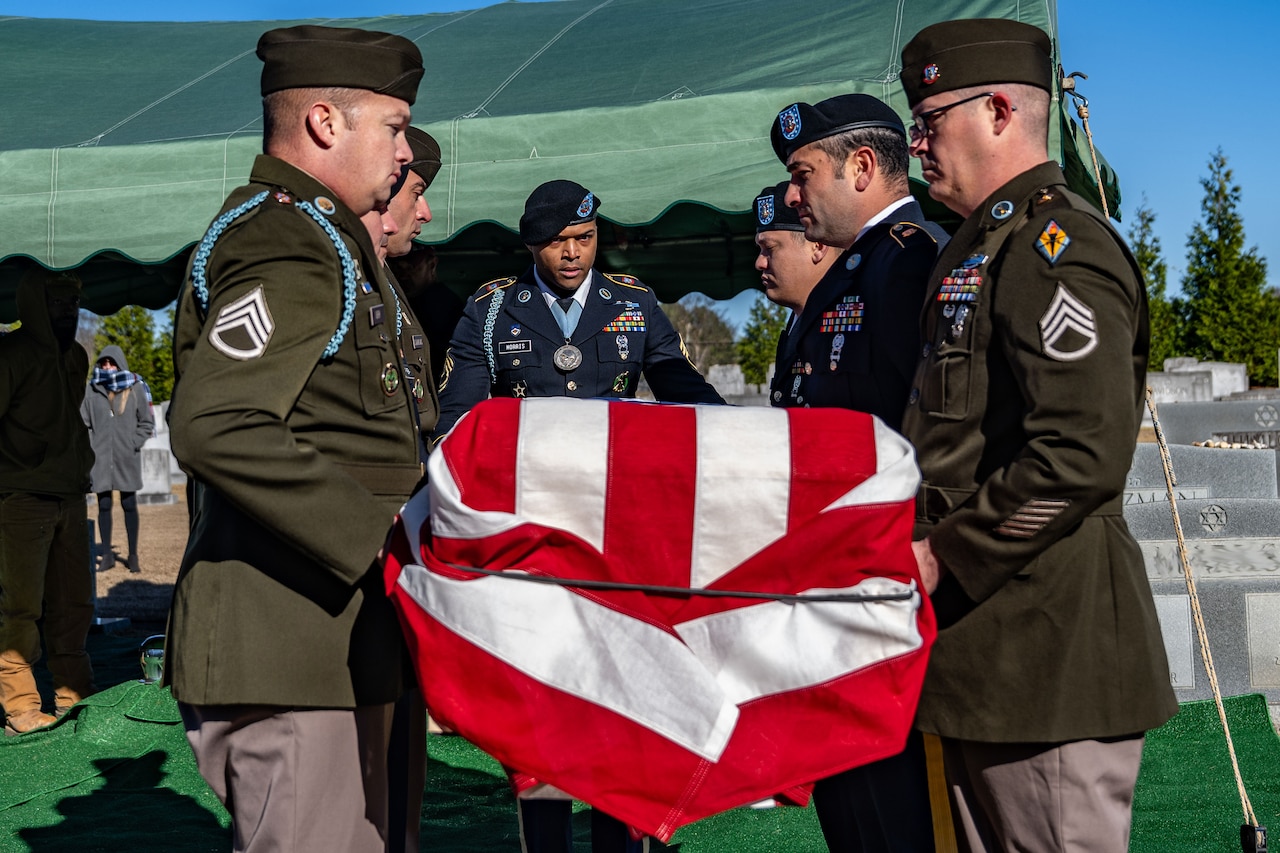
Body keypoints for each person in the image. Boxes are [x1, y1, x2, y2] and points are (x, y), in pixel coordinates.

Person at [897, 19, 1177, 852]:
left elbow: (1080, 453)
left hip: (1048, 657)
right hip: (990, 656)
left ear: (994, 111)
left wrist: (945, 554)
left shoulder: (1057, 245)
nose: (918, 145)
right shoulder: (980, 245)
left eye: (930, 119)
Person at [165, 25, 428, 852]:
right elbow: (214, 422)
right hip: (286, 642)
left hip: (335, 637)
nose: (402, 154)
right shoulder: (287, 238)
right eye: (392, 126)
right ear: (324, 122)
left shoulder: (327, 239)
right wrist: (373, 531)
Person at [767, 94, 947, 853]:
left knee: (898, 817)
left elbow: (932, 427)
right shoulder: (857, 271)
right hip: (845, 581)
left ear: (864, 167)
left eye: (803, 175)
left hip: (891, 582)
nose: (793, 196)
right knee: (858, 814)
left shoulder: (909, 259)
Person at [433, 179, 724, 441]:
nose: (572, 252)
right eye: (557, 240)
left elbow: (688, 393)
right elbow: (456, 416)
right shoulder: (489, 310)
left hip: (611, 474)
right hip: (526, 477)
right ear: (530, 243)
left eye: (585, 237)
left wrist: (738, 430)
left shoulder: (636, 302)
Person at [0, 268, 96, 735]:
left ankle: (73, 693)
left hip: (70, 497)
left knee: (74, 604)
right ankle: (20, 706)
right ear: (33, 303)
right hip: (22, 499)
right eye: (56, 302)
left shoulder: (75, 356)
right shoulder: (11, 355)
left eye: (72, 303)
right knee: (20, 608)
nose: (67, 311)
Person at [82, 344, 155, 574]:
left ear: (120, 364)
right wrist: (90, 447)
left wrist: (133, 442)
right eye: (103, 363)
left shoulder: (135, 389)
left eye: (111, 363)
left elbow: (147, 423)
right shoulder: (91, 390)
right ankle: (107, 557)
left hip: (126, 457)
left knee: (129, 504)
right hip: (100, 458)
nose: (107, 367)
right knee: (103, 505)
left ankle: (132, 555)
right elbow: (82, 423)